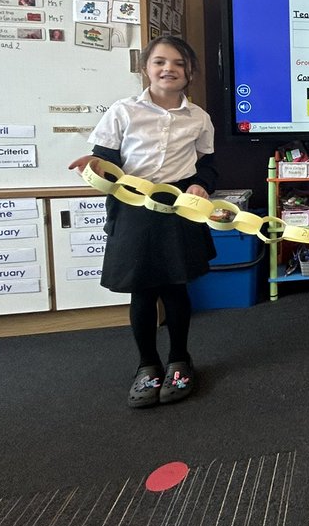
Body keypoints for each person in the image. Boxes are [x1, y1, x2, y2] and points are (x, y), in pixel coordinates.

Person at [68, 35, 216, 407]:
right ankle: (147, 365)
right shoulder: (123, 110)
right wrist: (94, 167)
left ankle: (180, 359)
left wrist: (200, 185)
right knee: (143, 290)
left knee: (176, 286)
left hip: (178, 205)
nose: (169, 69)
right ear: (145, 69)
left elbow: (209, 165)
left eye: (179, 63)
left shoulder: (199, 118)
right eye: (160, 62)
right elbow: (104, 158)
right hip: (134, 206)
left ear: (190, 72)